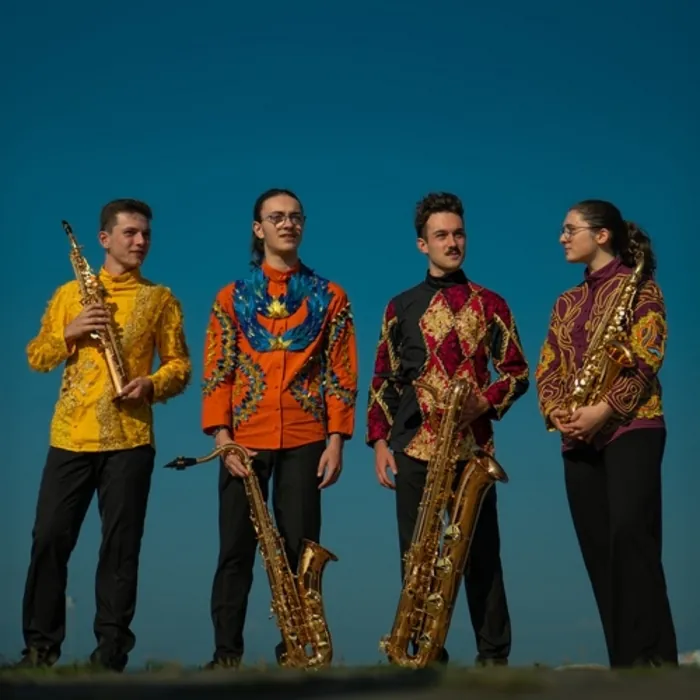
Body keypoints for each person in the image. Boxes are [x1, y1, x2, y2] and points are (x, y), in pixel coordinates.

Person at [18, 198, 192, 671]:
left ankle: (110, 655)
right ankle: (39, 649)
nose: (140, 242)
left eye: (146, 235)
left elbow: (180, 366)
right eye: (131, 233)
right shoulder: (68, 295)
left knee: (120, 548)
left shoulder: (161, 299)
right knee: (49, 537)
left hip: (131, 438)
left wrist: (150, 384)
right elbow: (37, 355)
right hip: (70, 436)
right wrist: (71, 331)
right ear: (104, 239)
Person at [366, 191, 529, 667]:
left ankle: (494, 659)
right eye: (441, 235)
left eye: (458, 233)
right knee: (416, 559)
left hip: (472, 451)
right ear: (422, 245)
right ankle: (422, 657)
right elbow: (384, 378)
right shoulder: (400, 306)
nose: (452, 242)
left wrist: (486, 401)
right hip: (414, 447)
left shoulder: (492, 303)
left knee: (483, 557)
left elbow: (517, 372)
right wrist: (379, 441)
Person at [201, 187, 358, 669]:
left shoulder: (331, 296)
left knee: (300, 550)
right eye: (276, 217)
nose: (287, 224)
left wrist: (337, 440)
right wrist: (222, 438)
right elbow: (217, 371)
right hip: (243, 440)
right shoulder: (230, 297)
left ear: (303, 224)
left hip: (308, 438)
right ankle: (227, 655)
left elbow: (341, 372)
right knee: (235, 550)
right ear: (259, 228)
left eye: (295, 217)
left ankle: (299, 651)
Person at [534, 198, 678, 669]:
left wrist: (604, 409)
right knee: (599, 550)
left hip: (633, 426)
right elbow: (549, 365)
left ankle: (655, 661)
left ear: (601, 235)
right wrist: (558, 412)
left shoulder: (641, 290)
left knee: (631, 537)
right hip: (578, 435)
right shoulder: (565, 302)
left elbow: (647, 355)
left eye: (569, 228)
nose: (561, 237)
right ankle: (625, 666)